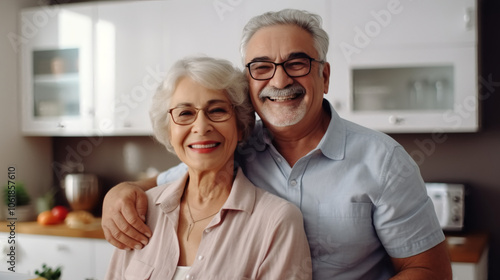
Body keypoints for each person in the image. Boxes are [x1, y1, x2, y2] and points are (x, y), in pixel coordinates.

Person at [102, 9, 452, 279]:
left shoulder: (383, 161)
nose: (280, 79)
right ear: (248, 82)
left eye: (296, 63)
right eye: (262, 67)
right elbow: (173, 180)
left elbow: (430, 271)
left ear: (324, 76)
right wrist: (121, 191)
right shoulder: (234, 143)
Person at [105, 56, 312, 280]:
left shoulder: (277, 221)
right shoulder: (138, 212)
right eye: (185, 113)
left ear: (240, 125)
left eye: (217, 111)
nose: (201, 127)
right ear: (169, 131)